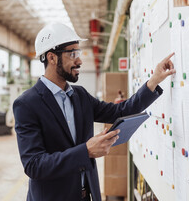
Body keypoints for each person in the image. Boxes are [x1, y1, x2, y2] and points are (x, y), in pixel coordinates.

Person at [13, 22, 175, 201]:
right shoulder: (27, 104)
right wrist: (86, 151)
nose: (80, 61)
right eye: (73, 54)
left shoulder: (80, 95)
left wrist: (153, 81)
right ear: (52, 58)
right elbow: (34, 165)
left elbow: (121, 110)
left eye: (79, 53)